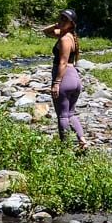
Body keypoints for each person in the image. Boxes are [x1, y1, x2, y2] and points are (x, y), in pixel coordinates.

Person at [42, 9, 88, 150]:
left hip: (65, 78)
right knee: (70, 113)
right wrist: (57, 24)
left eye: (65, 19)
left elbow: (62, 62)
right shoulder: (69, 36)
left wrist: (56, 83)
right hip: (74, 78)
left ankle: (65, 148)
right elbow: (45, 31)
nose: (61, 20)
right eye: (61, 18)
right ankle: (82, 140)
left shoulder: (64, 39)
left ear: (71, 24)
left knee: (62, 116)